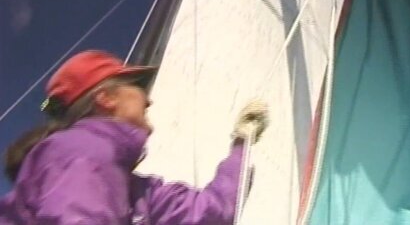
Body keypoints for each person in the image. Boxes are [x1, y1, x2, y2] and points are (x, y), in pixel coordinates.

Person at [0, 50, 268, 224]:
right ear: (105, 99)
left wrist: (242, 143)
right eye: (138, 85)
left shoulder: (137, 191)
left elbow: (212, 212)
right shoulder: (79, 151)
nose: (148, 98)